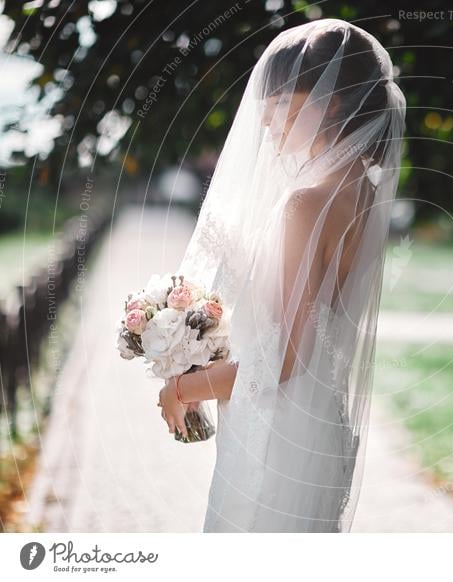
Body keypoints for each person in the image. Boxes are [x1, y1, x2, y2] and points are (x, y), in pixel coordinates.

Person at [157, 18, 406, 532]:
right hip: (319, 426)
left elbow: (282, 362)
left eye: (277, 106)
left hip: (279, 436)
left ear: (330, 102)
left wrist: (182, 388)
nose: (265, 122)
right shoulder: (360, 190)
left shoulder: (304, 204)